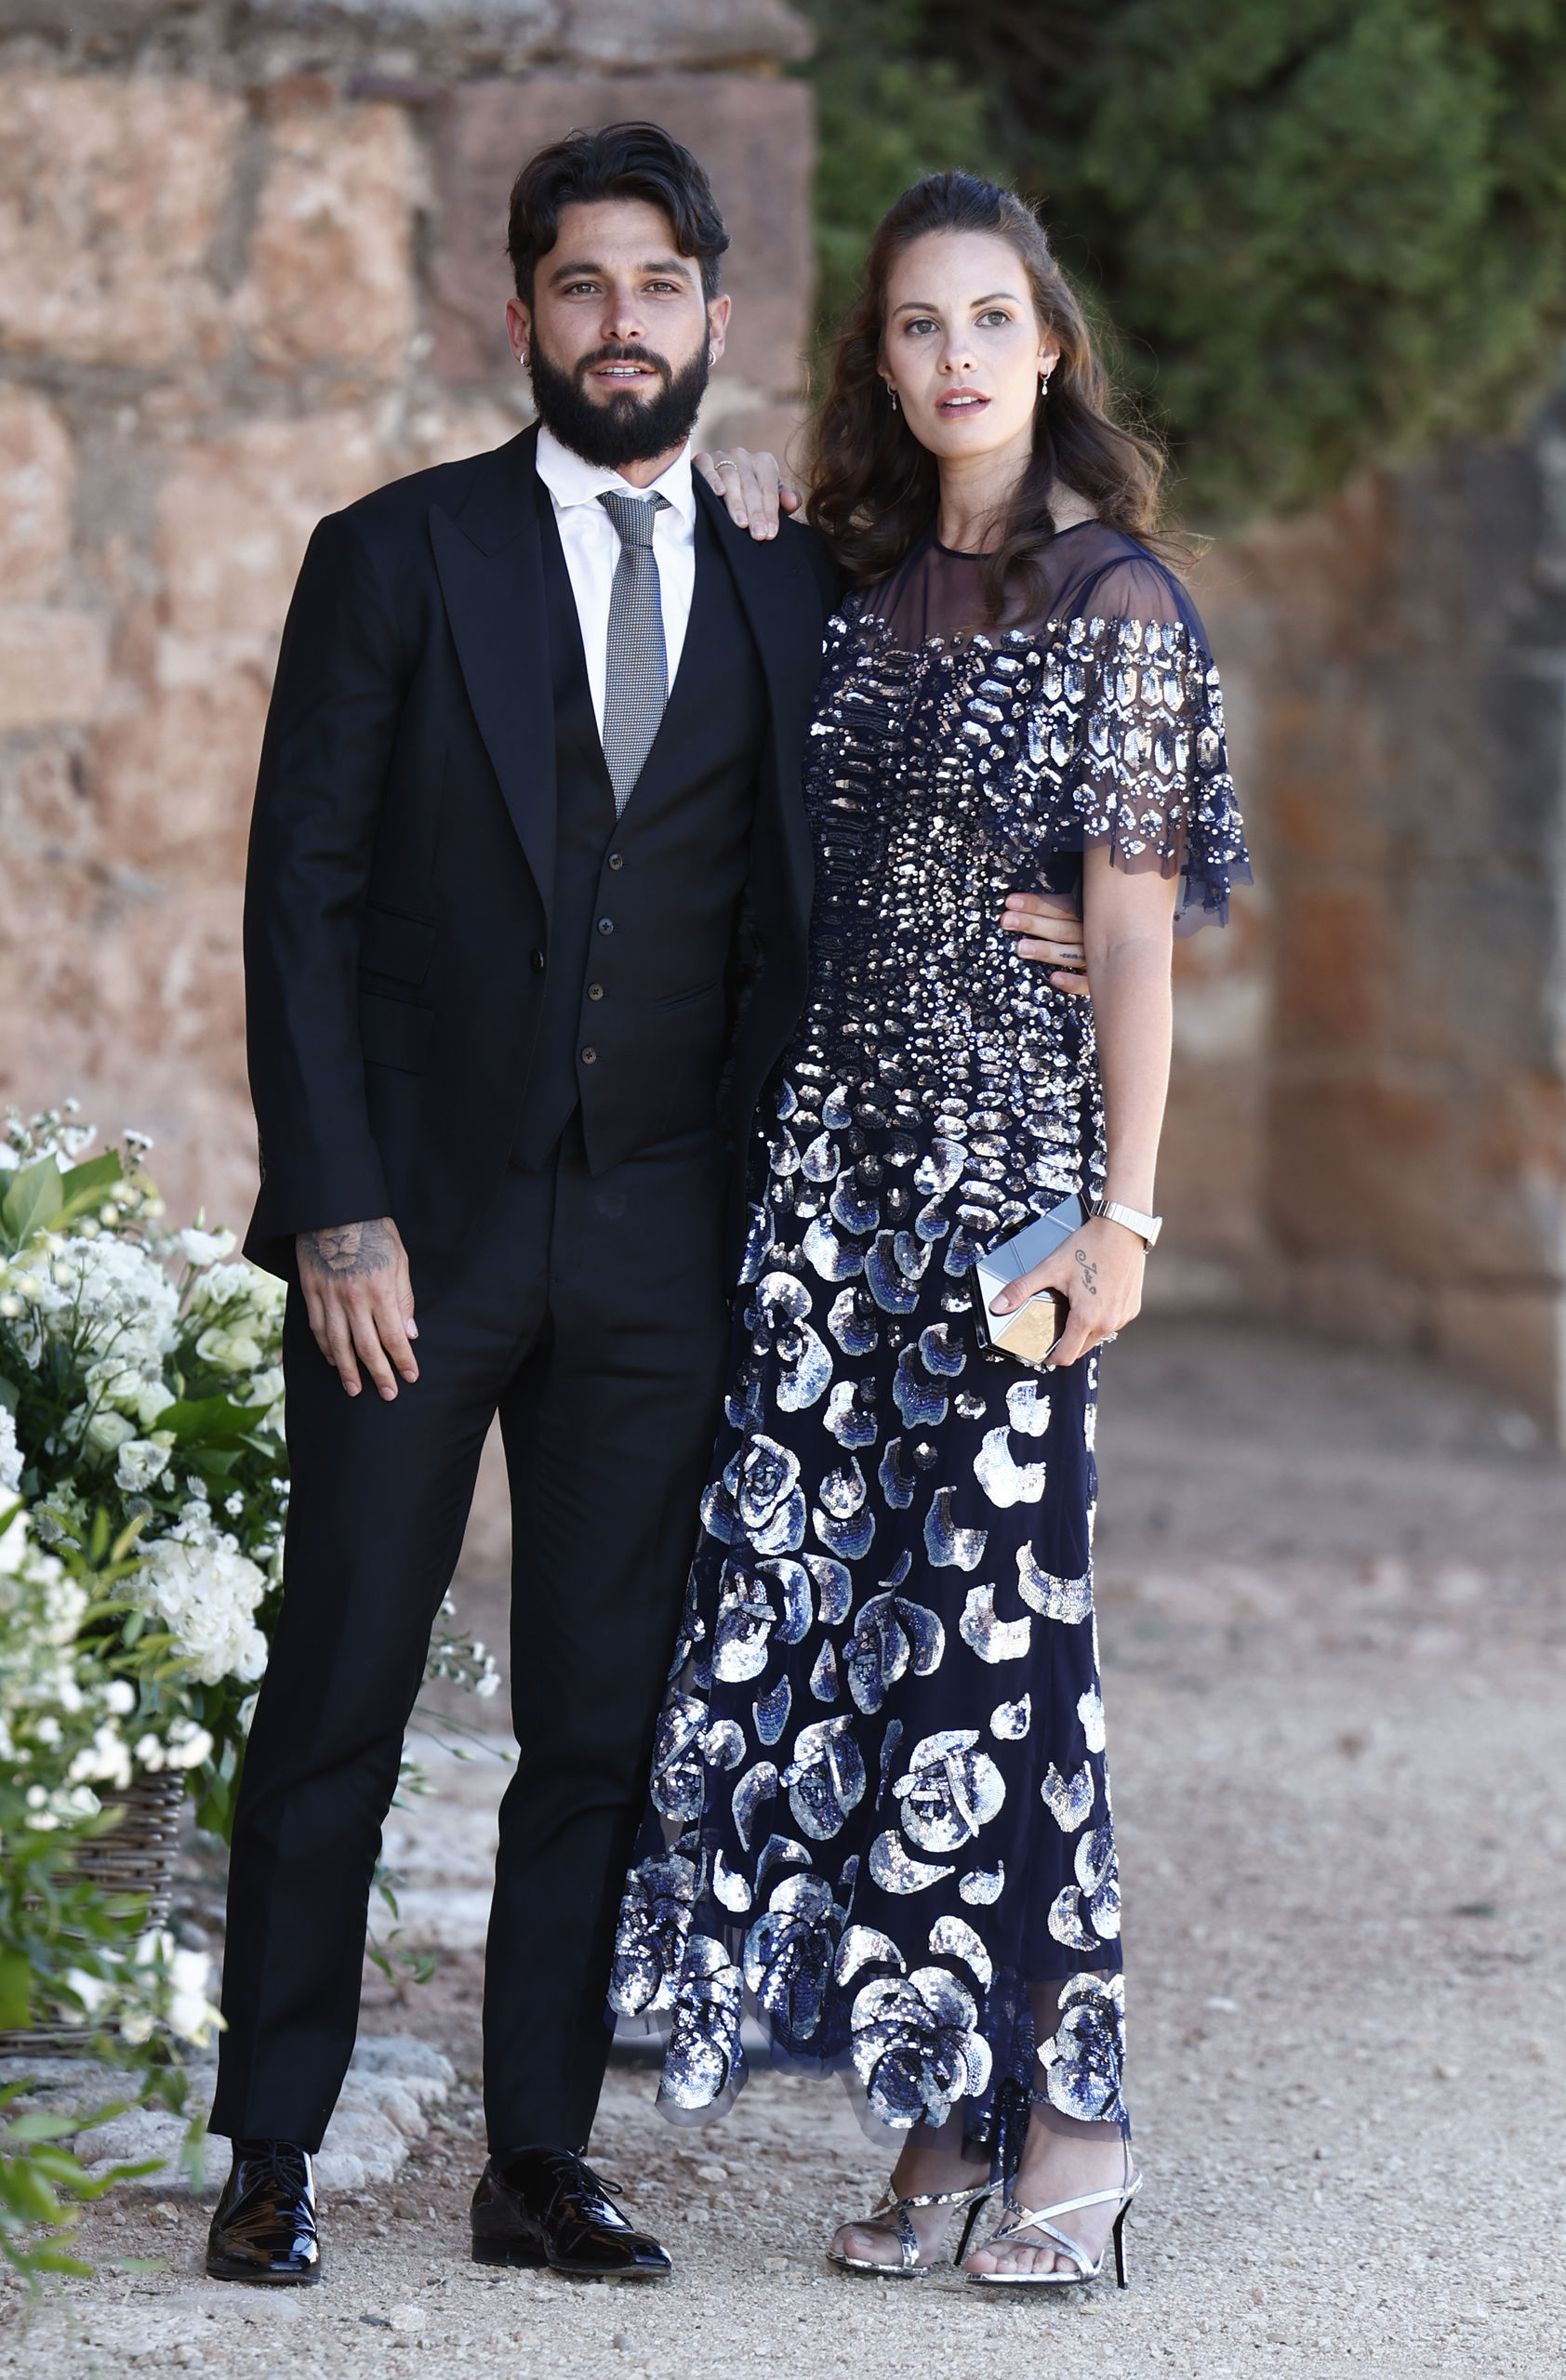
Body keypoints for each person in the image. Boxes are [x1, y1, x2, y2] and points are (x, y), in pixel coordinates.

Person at [205, 120, 1085, 2290]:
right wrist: (336, 1211)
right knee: (340, 1684)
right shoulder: (392, 556)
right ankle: (270, 2146)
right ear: (518, 311)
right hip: (413, 1238)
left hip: (671, 1243)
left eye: (658, 285)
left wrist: (1078, 921)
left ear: (714, 313)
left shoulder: (793, 581)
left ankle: (535, 2154)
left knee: (598, 1720)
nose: (621, 322)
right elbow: (299, 899)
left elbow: (933, 785)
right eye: (580, 284)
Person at [611, 170, 1250, 2289]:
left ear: (1049, 347)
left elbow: (1134, 942)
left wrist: (1124, 1219)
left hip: (1010, 1198)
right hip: (823, 1188)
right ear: (878, 363)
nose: (957, 355)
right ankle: (935, 2107)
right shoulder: (850, 578)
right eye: (916, 325)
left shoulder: (1116, 602)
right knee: (860, 1646)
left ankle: (1074, 2123)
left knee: (1004, 1650)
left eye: (991, 319)